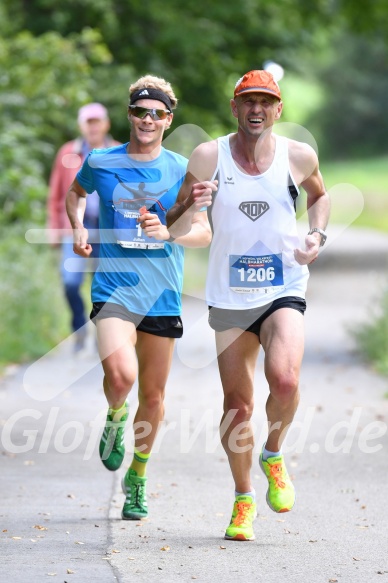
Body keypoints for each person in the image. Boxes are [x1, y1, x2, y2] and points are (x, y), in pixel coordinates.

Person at [166, 70, 330, 541]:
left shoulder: (299, 156)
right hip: (230, 296)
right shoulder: (207, 156)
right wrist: (190, 204)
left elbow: (320, 197)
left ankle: (273, 453)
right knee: (237, 406)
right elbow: (175, 226)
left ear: (278, 110)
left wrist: (316, 235)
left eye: (266, 101)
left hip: (283, 286)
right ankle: (242, 500)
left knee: (285, 378)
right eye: (248, 101)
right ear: (234, 108)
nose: (257, 109)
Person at [65, 75, 211, 520]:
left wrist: (170, 232)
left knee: (153, 395)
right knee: (122, 376)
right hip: (114, 286)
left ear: (169, 120)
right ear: (129, 114)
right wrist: (78, 227)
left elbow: (202, 232)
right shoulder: (102, 160)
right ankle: (114, 417)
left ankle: (138, 477)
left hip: (162, 293)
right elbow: (76, 193)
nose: (148, 119)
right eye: (141, 111)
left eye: (158, 113)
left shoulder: (183, 169)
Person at [47, 103, 119, 352]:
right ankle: (79, 327)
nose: (93, 126)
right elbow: (56, 194)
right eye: (89, 122)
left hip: (107, 229)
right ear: (82, 126)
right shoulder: (68, 152)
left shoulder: (119, 152)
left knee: (103, 284)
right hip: (75, 228)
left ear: (106, 124)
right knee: (70, 282)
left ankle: (104, 337)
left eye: (97, 121)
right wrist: (54, 230)